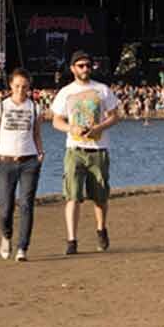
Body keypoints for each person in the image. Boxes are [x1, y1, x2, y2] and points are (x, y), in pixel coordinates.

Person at [50, 51, 121, 255]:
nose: (85, 69)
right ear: (73, 68)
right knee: (72, 195)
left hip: (98, 149)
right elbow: (56, 120)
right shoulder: (65, 92)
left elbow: (115, 116)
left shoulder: (102, 90)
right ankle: (72, 240)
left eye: (88, 65)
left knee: (100, 197)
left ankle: (101, 230)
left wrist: (100, 127)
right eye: (80, 65)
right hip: (75, 149)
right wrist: (71, 128)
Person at [0, 68, 45, 261]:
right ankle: (6, 236)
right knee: (6, 207)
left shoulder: (34, 108)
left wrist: (40, 153)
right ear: (11, 86)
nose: (21, 90)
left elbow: (36, 134)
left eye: (25, 87)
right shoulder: (1, 107)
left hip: (29, 161)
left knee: (27, 204)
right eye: (17, 86)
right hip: (6, 162)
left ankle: (22, 248)